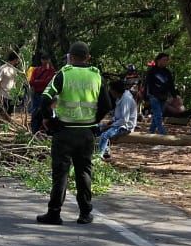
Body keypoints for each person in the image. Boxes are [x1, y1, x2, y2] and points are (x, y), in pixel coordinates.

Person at [37, 41, 108, 225]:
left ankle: (54, 213)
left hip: (64, 131)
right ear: (88, 57)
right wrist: (94, 120)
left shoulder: (63, 74)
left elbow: (45, 99)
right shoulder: (96, 76)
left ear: (71, 57)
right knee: (84, 172)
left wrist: (48, 120)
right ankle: (85, 213)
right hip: (86, 133)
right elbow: (107, 104)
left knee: (61, 173)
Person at [97, 80, 137, 160]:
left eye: (111, 89)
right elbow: (118, 114)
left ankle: (99, 156)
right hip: (118, 123)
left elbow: (124, 119)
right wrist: (112, 121)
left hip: (125, 126)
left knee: (105, 135)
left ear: (115, 90)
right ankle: (106, 152)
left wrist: (110, 126)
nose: (110, 92)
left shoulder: (126, 99)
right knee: (98, 128)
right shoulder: (120, 97)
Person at [144, 53, 177, 135]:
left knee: (158, 115)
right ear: (158, 60)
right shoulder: (151, 71)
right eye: (164, 60)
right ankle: (162, 132)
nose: (166, 62)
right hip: (154, 96)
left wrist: (174, 96)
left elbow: (171, 84)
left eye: (167, 60)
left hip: (163, 96)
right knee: (158, 114)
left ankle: (151, 130)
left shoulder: (167, 72)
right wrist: (146, 96)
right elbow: (147, 84)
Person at [27, 52, 57, 134]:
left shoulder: (52, 71)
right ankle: (34, 131)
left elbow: (48, 82)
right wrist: (40, 82)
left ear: (49, 60)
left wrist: (37, 82)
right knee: (35, 112)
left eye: (46, 59)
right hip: (36, 94)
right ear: (41, 60)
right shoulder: (36, 70)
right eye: (43, 59)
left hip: (47, 95)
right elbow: (31, 81)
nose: (45, 61)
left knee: (45, 113)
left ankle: (44, 130)